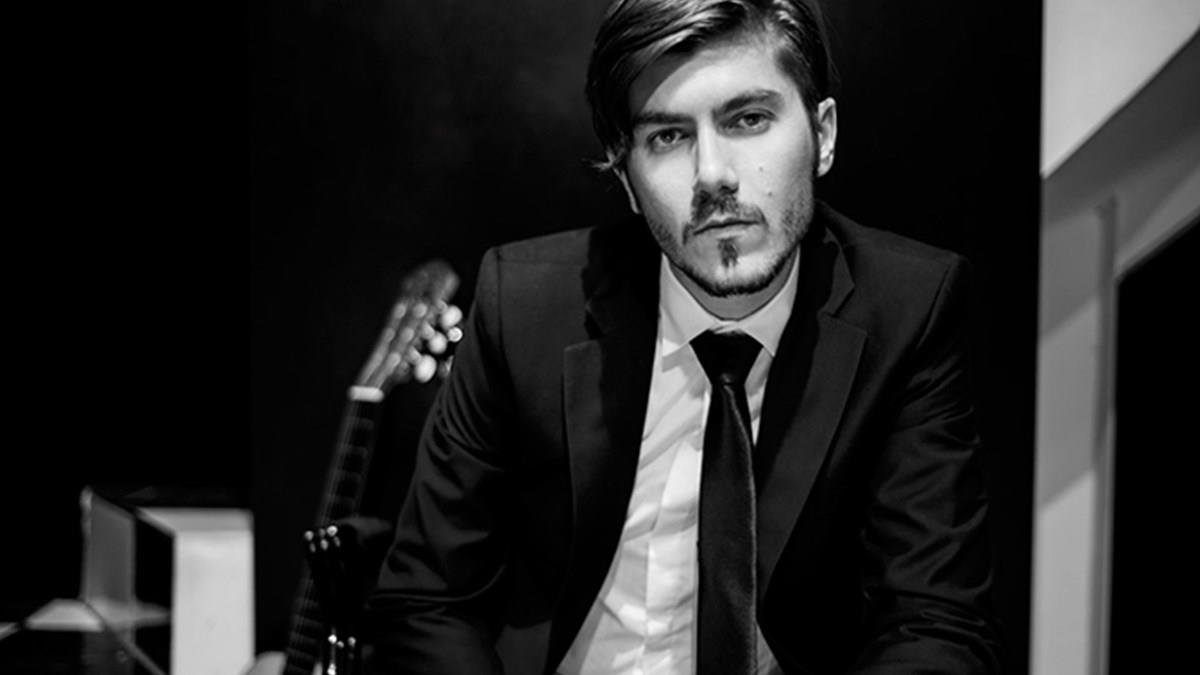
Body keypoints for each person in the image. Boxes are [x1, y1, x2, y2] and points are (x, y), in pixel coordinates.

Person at [365, 1, 1000, 673]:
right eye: (668, 136)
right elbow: (426, 599)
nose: (713, 175)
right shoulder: (522, 307)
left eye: (748, 119)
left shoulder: (906, 310)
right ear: (626, 179)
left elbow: (936, 623)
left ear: (823, 135)